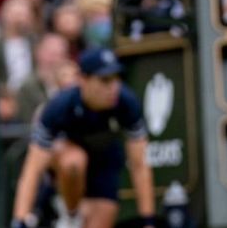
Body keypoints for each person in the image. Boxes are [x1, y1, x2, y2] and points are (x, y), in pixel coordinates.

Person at [11, 48, 155, 228]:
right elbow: (32, 169)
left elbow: (140, 165)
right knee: (74, 162)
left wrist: (148, 221)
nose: (113, 87)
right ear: (83, 80)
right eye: (104, 80)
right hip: (65, 168)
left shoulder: (127, 103)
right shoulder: (59, 107)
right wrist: (19, 220)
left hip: (104, 163)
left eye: (117, 78)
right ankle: (69, 214)